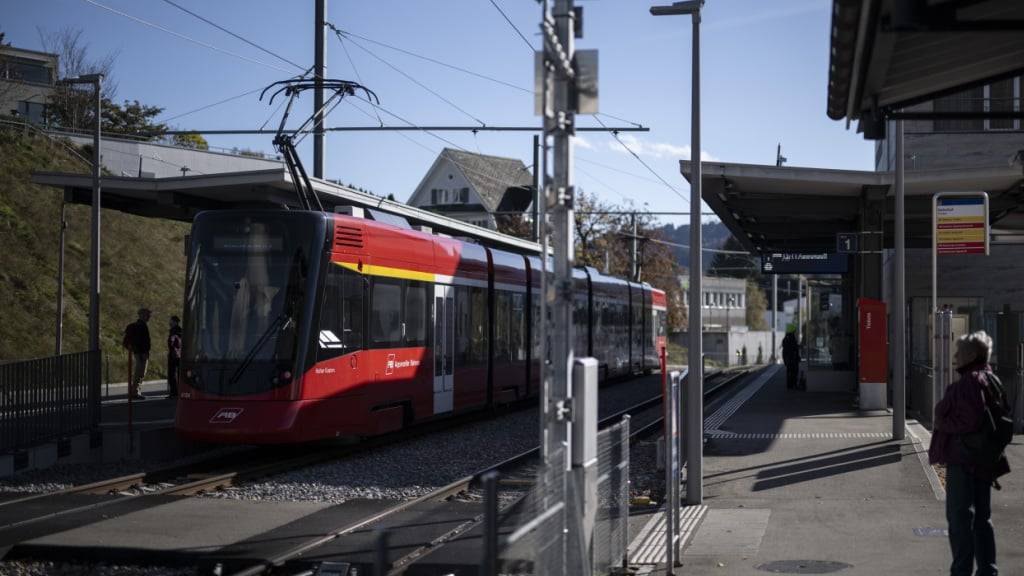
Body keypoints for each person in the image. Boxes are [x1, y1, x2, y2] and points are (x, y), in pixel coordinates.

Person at [928, 331, 1000, 576]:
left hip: (963, 459)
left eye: (959, 352)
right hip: (984, 459)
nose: (955, 357)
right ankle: (988, 570)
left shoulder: (968, 383)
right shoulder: (989, 378)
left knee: (959, 520)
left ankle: (961, 572)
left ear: (970, 355)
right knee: (982, 518)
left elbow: (968, 421)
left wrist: (941, 423)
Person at [122, 308, 152, 400]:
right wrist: (143, 352)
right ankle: (135, 393)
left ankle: (135, 392)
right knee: (140, 373)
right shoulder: (141, 326)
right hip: (141, 353)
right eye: (148, 315)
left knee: (140, 373)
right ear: (142, 315)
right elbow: (142, 341)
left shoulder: (141, 325)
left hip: (140, 353)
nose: (149, 317)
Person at [167, 315, 183, 399]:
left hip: (173, 354)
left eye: (171, 321)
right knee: (180, 374)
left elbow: (172, 342)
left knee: (171, 374)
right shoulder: (181, 330)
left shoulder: (173, 331)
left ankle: (174, 392)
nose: (169, 322)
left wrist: (172, 349)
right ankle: (180, 391)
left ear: (175, 322)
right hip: (181, 355)